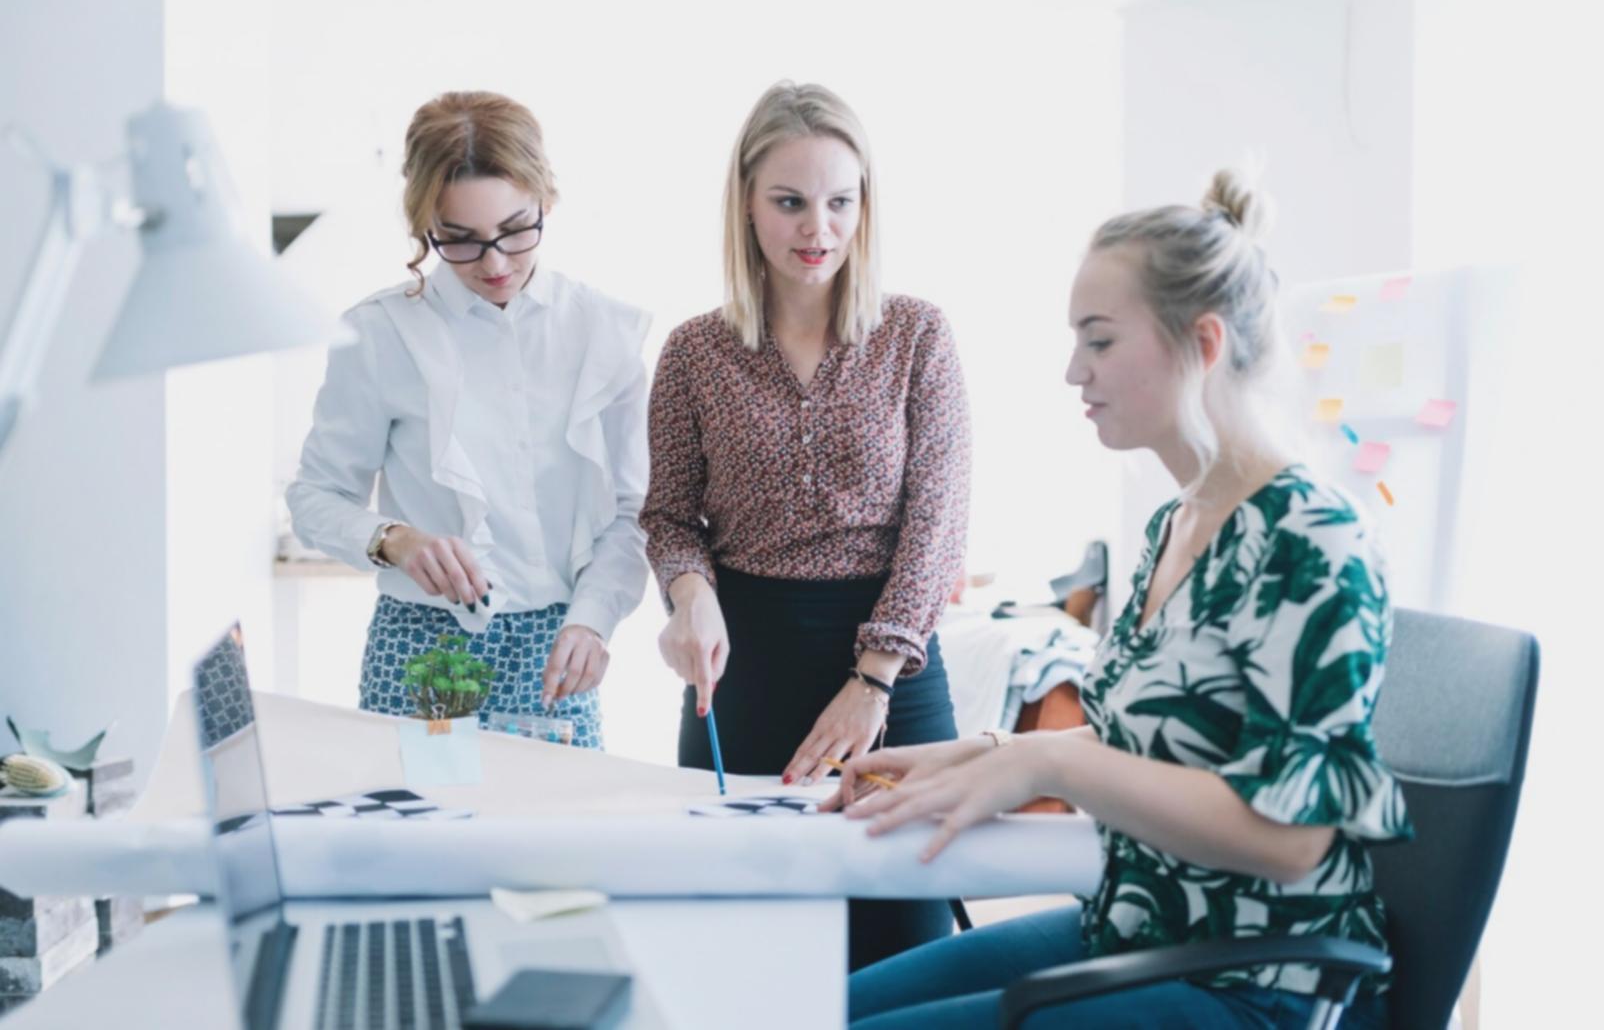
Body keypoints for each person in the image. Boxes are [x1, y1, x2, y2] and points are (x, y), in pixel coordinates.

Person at [829, 171, 1412, 1028]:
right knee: (813, 1009)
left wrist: (1052, 761)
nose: (1074, 370)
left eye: (1099, 341)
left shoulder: (1312, 540)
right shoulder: (1175, 525)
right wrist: (976, 752)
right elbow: (1154, 741)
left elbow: (1291, 838)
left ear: (1202, 343)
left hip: (1258, 981)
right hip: (1140, 930)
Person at [640, 81, 972, 969]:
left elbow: (936, 524)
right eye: (789, 201)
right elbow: (671, 515)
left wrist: (872, 678)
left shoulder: (917, 336)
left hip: (892, 672)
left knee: (905, 957)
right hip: (741, 669)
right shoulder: (692, 352)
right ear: (746, 205)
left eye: (840, 200)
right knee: (742, 952)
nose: (816, 228)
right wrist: (689, 592)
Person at [287, 91, 650, 748]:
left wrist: (594, 620)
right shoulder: (381, 333)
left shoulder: (603, 332)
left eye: (516, 229)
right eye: (459, 239)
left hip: (557, 651)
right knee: (414, 847)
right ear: (425, 225)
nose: (495, 263)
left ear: (548, 198)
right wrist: (393, 537)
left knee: (552, 846)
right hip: (419, 653)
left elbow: (634, 509)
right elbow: (313, 496)